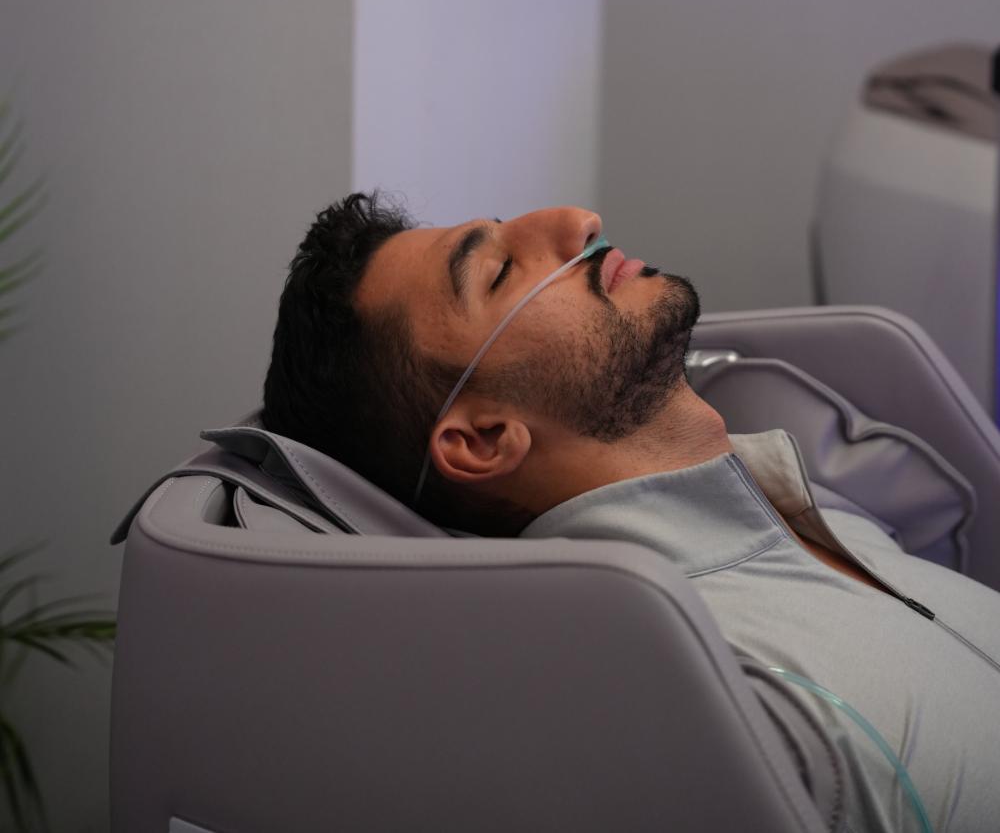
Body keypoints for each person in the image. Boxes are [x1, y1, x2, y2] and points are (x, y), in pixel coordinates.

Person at [263, 191, 1000, 832]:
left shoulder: (804, 503)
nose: (579, 221)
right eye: (499, 270)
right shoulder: (737, 709)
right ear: (484, 439)